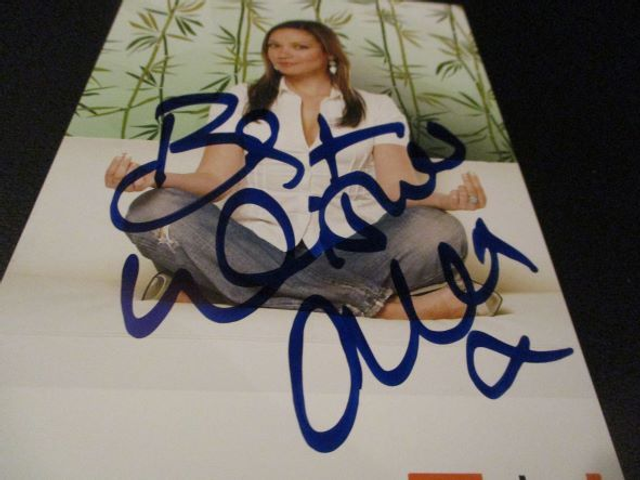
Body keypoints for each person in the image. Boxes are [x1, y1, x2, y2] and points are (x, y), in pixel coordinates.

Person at [104, 20, 500, 320]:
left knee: (440, 229)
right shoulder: (241, 99)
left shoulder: (376, 107)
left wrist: (450, 200)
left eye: (298, 46)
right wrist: (157, 177)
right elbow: (217, 181)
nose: (283, 53)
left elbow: (396, 188)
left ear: (329, 53)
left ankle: (218, 294)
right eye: (274, 45)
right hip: (251, 245)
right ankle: (380, 308)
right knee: (152, 208)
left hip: (352, 249)